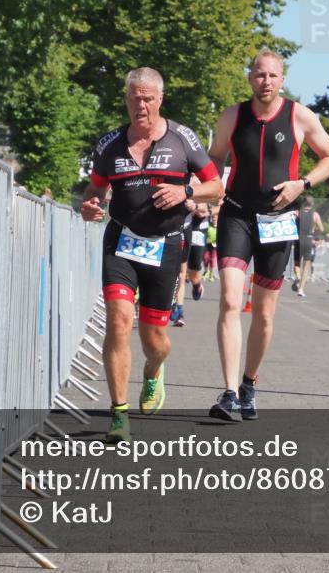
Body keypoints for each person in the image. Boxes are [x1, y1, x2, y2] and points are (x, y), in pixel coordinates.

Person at [80, 67, 223, 444]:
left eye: (147, 98)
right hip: (122, 241)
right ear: (126, 99)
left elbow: (217, 186)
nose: (140, 105)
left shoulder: (183, 139)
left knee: (154, 338)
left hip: (165, 246)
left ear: (160, 99)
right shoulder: (109, 145)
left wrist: (186, 195)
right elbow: (93, 191)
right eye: (134, 98)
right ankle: (118, 414)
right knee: (118, 320)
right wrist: (90, 206)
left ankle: (154, 370)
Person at [207, 50, 329, 420]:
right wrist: (209, 191)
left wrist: (303, 182)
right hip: (236, 214)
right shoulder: (233, 116)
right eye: (259, 74)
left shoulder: (299, 115)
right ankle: (230, 391)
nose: (265, 81)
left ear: (282, 80)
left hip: (278, 220)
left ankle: (249, 383)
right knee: (231, 300)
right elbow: (215, 157)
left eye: (273, 75)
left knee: (264, 314)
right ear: (250, 77)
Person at [171, 196, 210, 326]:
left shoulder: (199, 181)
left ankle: (197, 285)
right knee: (180, 273)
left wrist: (196, 207)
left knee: (193, 271)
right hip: (178, 228)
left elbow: (210, 207)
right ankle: (178, 310)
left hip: (199, 230)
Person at [291, 197, 323, 297]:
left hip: (298, 239)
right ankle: (301, 289)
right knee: (306, 265)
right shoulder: (315, 215)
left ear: (303, 203)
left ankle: (298, 277)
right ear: (312, 204)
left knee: (297, 263)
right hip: (309, 240)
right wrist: (314, 228)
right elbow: (321, 229)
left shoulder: (297, 213)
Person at [203, 204, 219, 281]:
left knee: (213, 259)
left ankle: (211, 274)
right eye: (213, 218)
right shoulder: (208, 226)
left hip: (215, 246)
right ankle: (206, 271)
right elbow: (205, 233)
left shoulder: (219, 227)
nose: (214, 219)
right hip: (207, 245)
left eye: (215, 218)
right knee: (206, 258)